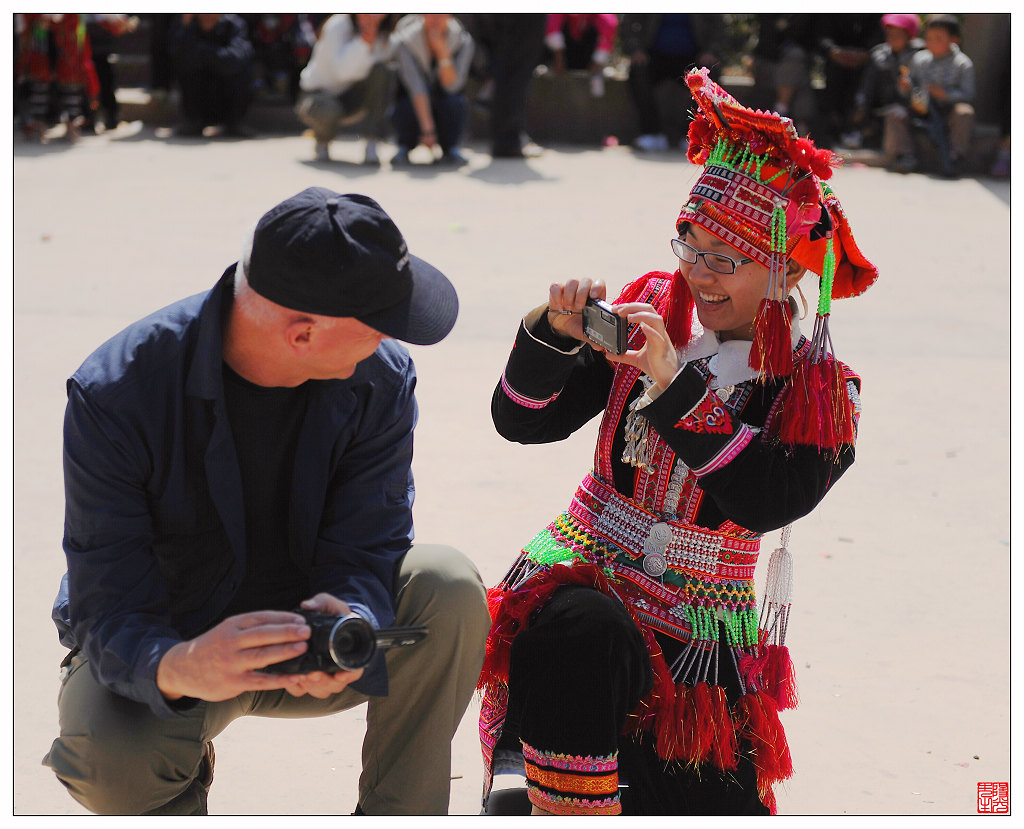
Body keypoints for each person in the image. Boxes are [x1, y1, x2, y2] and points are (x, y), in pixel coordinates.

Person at [477, 67, 878, 815]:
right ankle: (529, 787)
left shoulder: (822, 389)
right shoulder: (655, 307)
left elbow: (763, 498)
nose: (698, 271)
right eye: (690, 244)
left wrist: (673, 385)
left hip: (702, 634)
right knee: (578, 635)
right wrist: (550, 335)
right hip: (586, 576)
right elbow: (522, 419)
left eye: (726, 260)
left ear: (786, 268)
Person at [41, 187, 491, 816]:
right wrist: (179, 667)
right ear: (303, 333)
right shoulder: (120, 392)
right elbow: (107, 601)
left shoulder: (379, 376)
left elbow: (372, 538)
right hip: (183, 640)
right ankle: (178, 777)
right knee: (108, 755)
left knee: (445, 586)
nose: (393, 341)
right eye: (379, 325)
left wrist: (351, 616)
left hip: (317, 640)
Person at [295, 13, 397, 165]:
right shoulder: (337, 25)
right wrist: (363, 43)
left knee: (383, 73)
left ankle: (372, 142)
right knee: (328, 109)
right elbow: (341, 72)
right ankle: (322, 140)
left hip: (352, 96)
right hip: (318, 96)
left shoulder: (386, 34)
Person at [620, 14, 724, 152]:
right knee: (637, 71)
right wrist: (635, 49)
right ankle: (652, 133)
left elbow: (720, 27)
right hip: (653, 56)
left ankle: (692, 135)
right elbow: (628, 23)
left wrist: (711, 52)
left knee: (710, 74)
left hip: (694, 56)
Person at [894, 14, 975, 178]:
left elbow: (968, 94)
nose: (931, 42)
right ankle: (905, 155)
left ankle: (955, 157)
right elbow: (909, 88)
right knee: (895, 113)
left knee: (964, 111)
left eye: (937, 38)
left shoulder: (963, 63)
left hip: (947, 110)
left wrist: (945, 95)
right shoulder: (919, 59)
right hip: (920, 108)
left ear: (954, 39)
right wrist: (905, 86)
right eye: (928, 38)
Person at [389, 14, 474, 169]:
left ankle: (451, 148)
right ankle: (404, 146)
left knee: (454, 101)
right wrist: (428, 131)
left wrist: (442, 53)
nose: (435, 18)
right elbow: (416, 87)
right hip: (414, 104)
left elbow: (453, 86)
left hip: (444, 104)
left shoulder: (463, 40)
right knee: (405, 102)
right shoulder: (405, 40)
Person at [850, 13, 923, 160]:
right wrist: (861, 106)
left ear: (910, 36)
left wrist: (908, 90)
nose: (892, 38)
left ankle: (903, 156)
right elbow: (867, 86)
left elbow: (923, 91)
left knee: (896, 114)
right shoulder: (879, 54)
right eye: (890, 34)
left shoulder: (921, 56)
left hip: (911, 109)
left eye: (898, 35)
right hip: (880, 107)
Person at [171, 13, 256, 138]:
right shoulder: (187, 26)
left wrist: (203, 53)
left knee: (242, 68)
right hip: (199, 95)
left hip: (226, 93)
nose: (208, 15)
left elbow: (236, 58)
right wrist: (185, 27)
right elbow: (178, 54)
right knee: (186, 66)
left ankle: (234, 123)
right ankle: (193, 121)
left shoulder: (234, 25)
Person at [813, 13, 883, 149]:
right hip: (835, 62)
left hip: (866, 63)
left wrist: (865, 54)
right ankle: (834, 127)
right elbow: (821, 36)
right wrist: (833, 51)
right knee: (834, 75)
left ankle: (857, 127)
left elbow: (879, 38)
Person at [748, 14, 816, 135]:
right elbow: (767, 46)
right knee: (796, 70)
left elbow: (810, 44)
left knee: (796, 60)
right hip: (769, 65)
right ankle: (800, 131)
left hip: (796, 67)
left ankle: (781, 111)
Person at [543, 14, 619, 98]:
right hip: (562, 53)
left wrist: (598, 63)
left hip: (587, 55)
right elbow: (552, 27)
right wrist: (558, 58)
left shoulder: (602, 15)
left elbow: (608, 32)